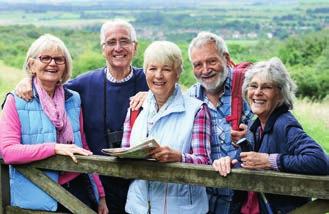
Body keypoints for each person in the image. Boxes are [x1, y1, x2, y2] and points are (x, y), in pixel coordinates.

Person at [15, 19, 148, 213]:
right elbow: (50, 86)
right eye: (111, 42)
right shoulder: (85, 83)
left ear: (135, 47)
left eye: (124, 41)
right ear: (103, 49)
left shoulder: (152, 80)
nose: (118, 48)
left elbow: (178, 99)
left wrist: (153, 95)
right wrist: (28, 80)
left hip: (143, 185)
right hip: (99, 187)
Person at [0, 34, 108, 213]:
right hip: (37, 194)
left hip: (79, 189)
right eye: (45, 58)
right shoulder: (16, 101)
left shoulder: (74, 99)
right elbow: (8, 151)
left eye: (59, 59)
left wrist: (100, 194)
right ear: (31, 65)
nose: (52, 63)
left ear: (65, 66)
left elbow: (83, 145)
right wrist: (55, 148)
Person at [213, 57, 329, 213]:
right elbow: (248, 163)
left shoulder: (284, 124)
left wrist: (269, 161)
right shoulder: (255, 126)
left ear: (280, 94)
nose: (257, 92)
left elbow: (320, 161)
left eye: (266, 87)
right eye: (253, 86)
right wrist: (229, 162)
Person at [122, 41, 211, 213]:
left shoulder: (196, 110)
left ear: (177, 73)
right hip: (138, 207)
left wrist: (179, 157)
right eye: (152, 68)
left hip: (182, 209)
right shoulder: (135, 109)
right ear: (145, 71)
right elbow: (125, 155)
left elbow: (205, 162)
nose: (158, 75)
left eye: (167, 69)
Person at [187, 32, 253, 214]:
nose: (205, 69)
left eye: (211, 61)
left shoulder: (250, 89)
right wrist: (147, 96)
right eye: (198, 64)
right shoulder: (191, 97)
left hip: (244, 201)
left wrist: (250, 136)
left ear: (226, 58)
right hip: (204, 202)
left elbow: (275, 134)